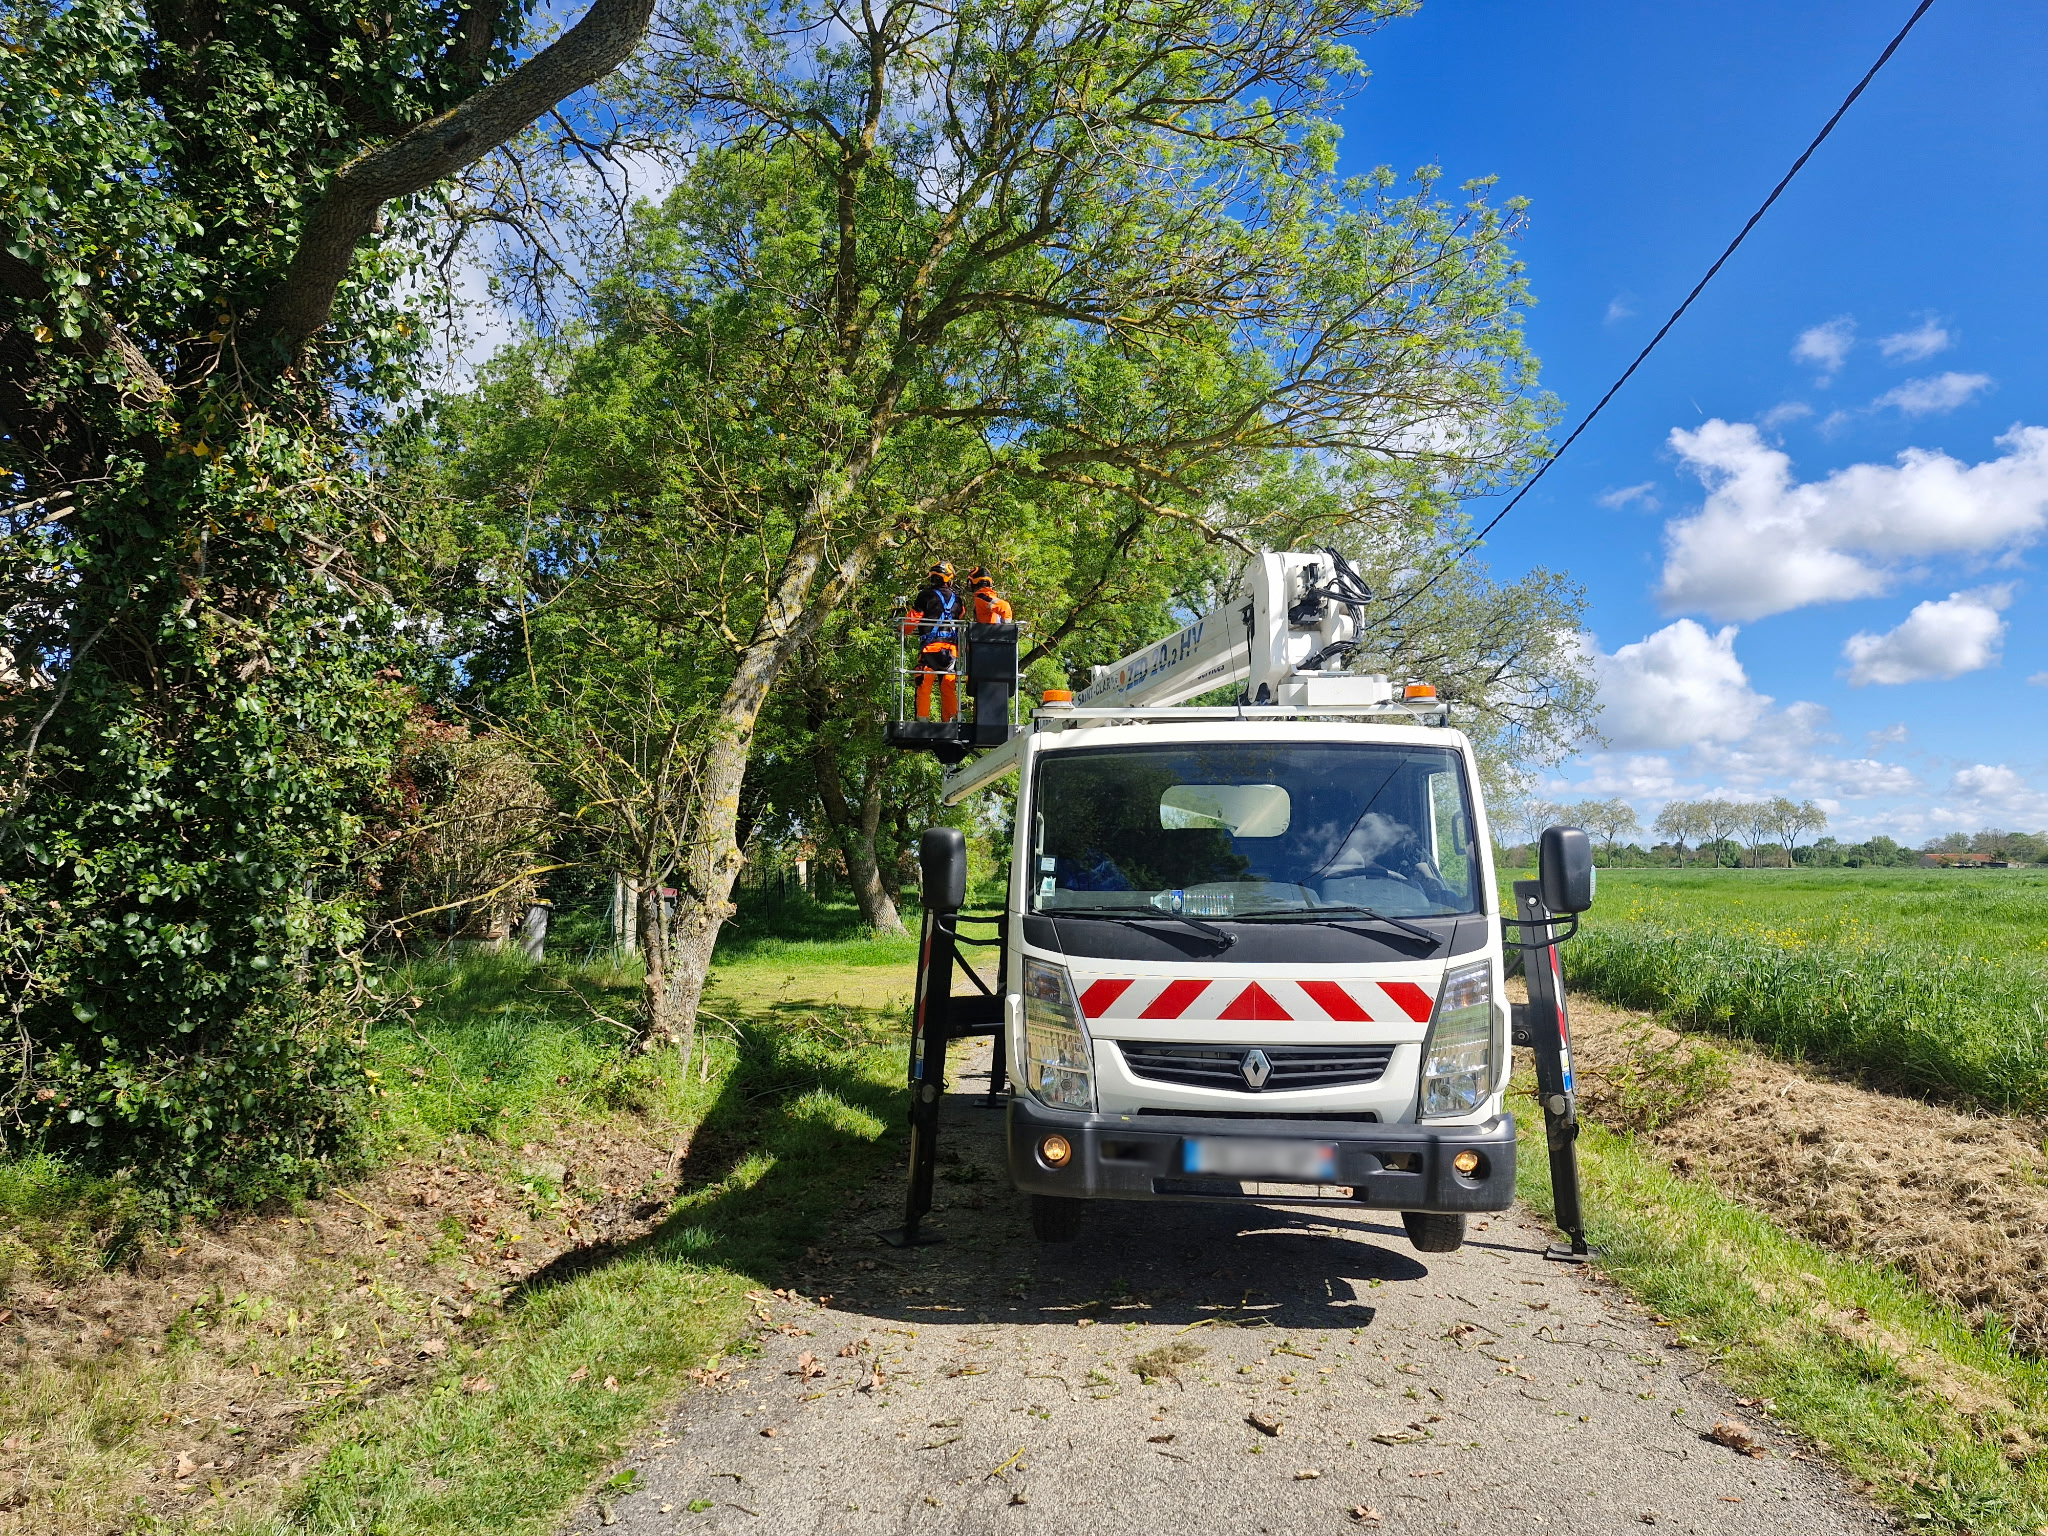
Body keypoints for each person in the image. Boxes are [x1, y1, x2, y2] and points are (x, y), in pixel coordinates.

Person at [903, 560, 965, 721]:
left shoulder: (925, 595)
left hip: (930, 649)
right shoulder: (958, 600)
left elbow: (912, 621)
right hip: (951, 651)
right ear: (949, 579)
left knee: (924, 686)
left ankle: (923, 720)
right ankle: (952, 721)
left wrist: (901, 630)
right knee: (948, 687)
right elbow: (960, 617)